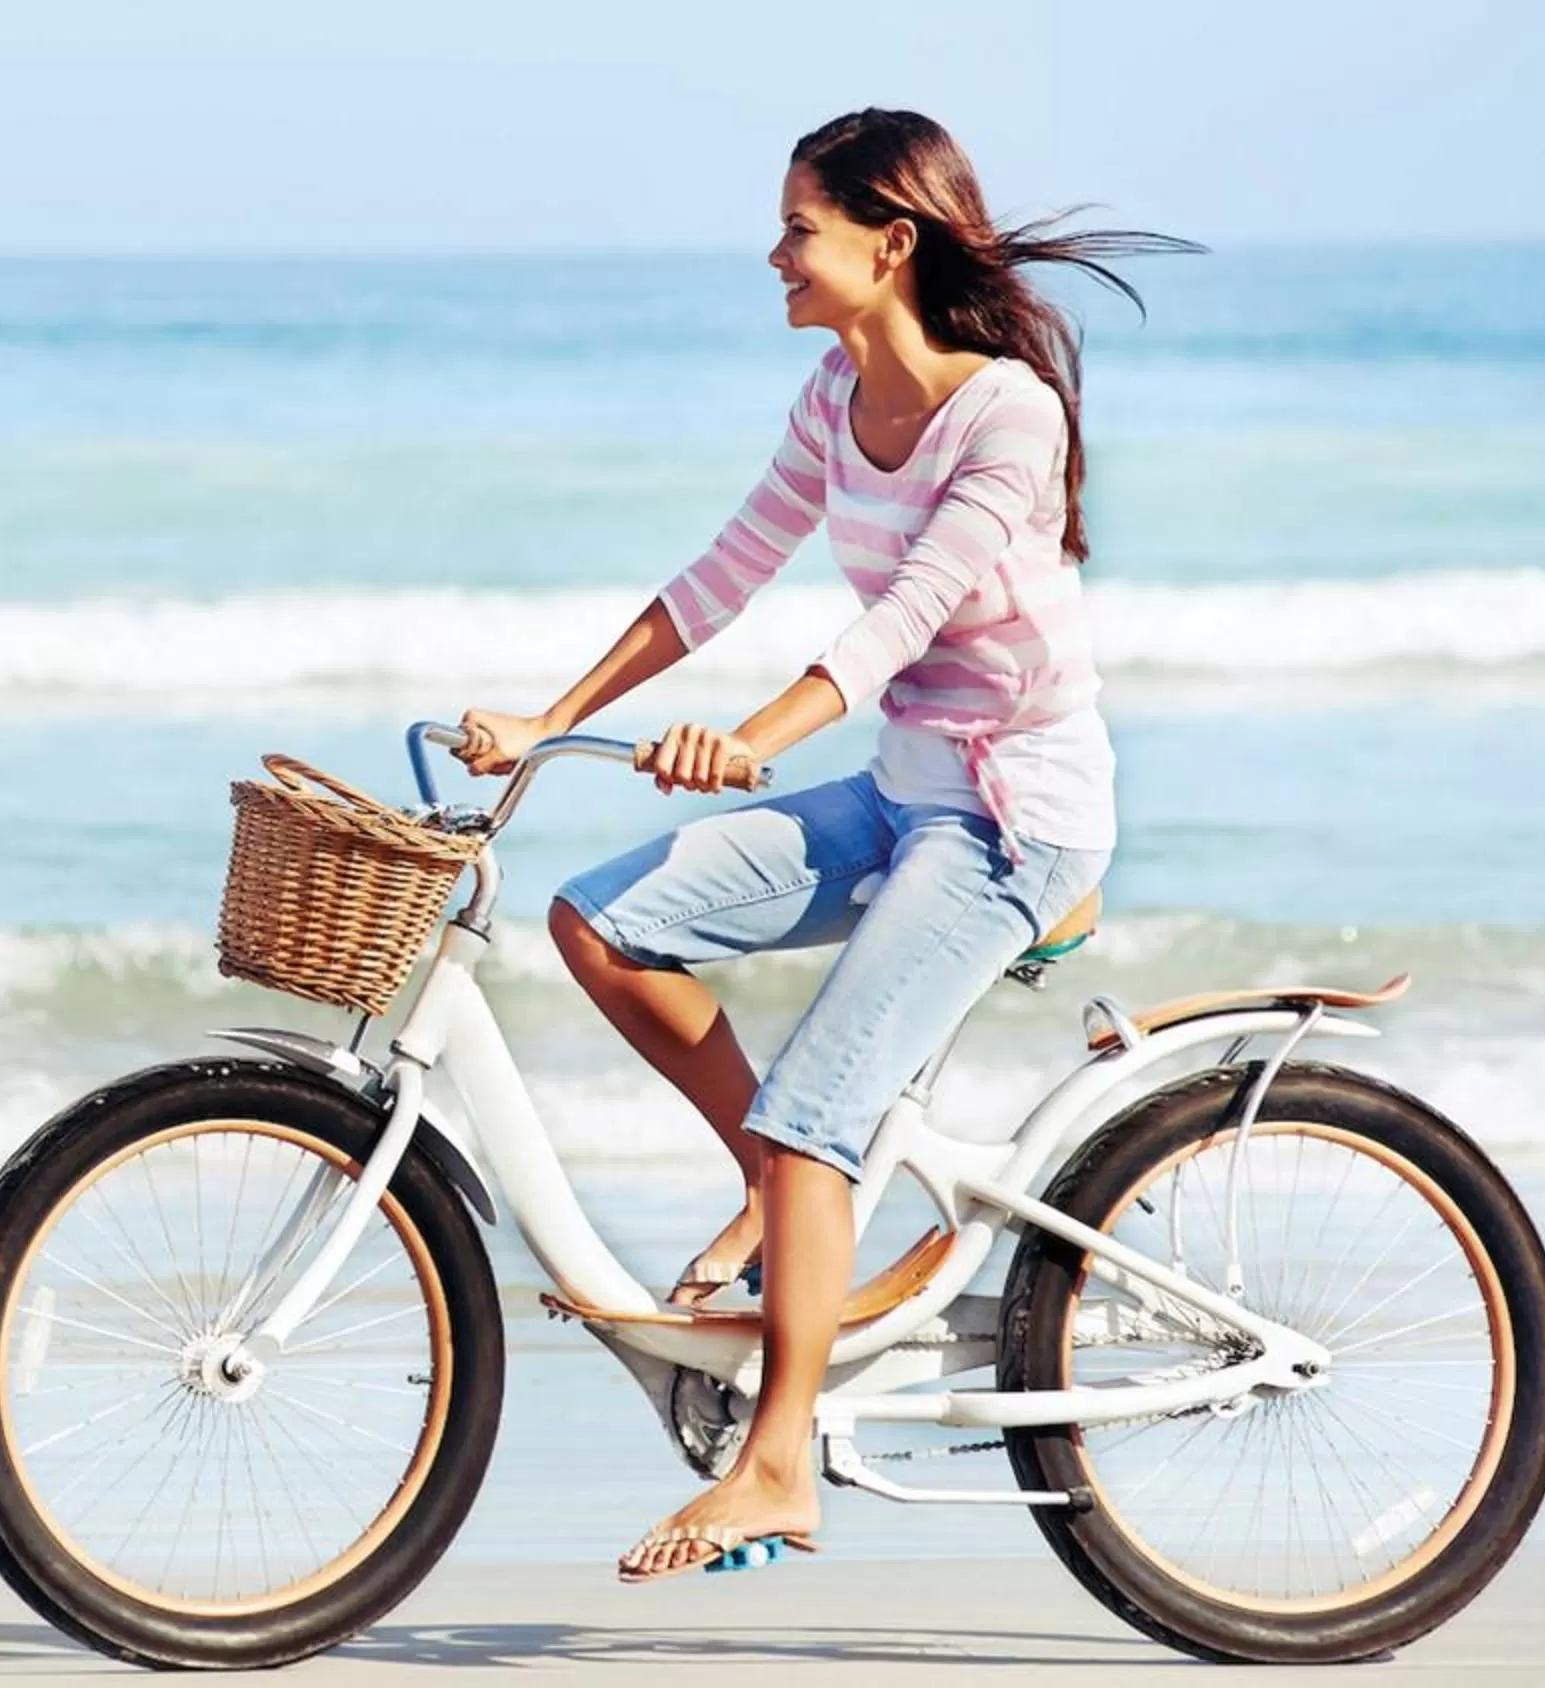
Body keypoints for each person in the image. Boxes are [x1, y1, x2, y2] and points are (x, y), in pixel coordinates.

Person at [452, 108, 1196, 1583]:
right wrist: (551, 719)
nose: (776, 253)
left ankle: (779, 1459)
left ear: (888, 242)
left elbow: (901, 616)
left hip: (1013, 817)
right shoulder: (831, 392)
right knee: (602, 924)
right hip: (905, 788)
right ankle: (785, 1194)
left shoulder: (1006, 416)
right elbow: (724, 569)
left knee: (814, 1117)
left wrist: (754, 739)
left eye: (799, 227)